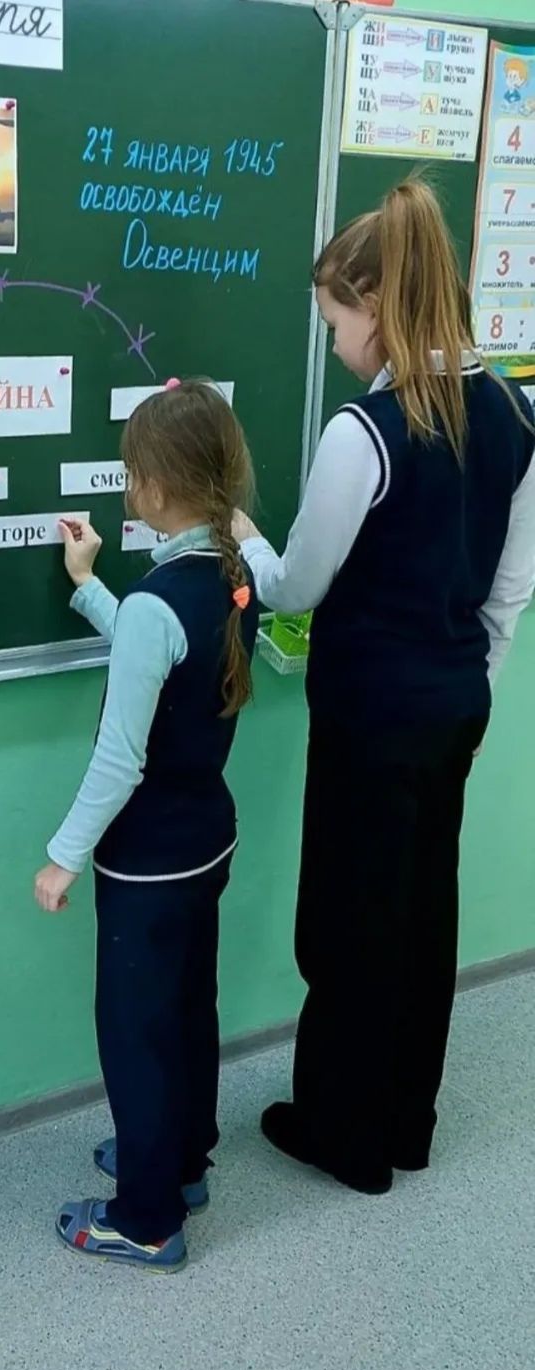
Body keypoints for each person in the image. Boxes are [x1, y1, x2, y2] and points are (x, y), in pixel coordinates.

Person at [234, 181, 535, 1196]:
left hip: (369, 717)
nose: (335, 344)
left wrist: (245, 538)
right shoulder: (517, 413)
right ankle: (408, 1122)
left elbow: (298, 586)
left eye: (335, 322)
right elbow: (509, 592)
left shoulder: (364, 433)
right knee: (423, 912)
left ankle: (343, 1135)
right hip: (453, 708)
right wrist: (472, 691)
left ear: (377, 306)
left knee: (346, 919)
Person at [34, 380, 258, 1272]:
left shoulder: (159, 605)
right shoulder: (231, 575)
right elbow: (159, 654)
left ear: (154, 486)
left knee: (135, 1033)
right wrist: (89, 587)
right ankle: (183, 1161)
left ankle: (147, 1216)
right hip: (205, 839)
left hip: (146, 861)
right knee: (187, 1010)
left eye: (131, 472)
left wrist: (63, 855)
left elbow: (120, 757)